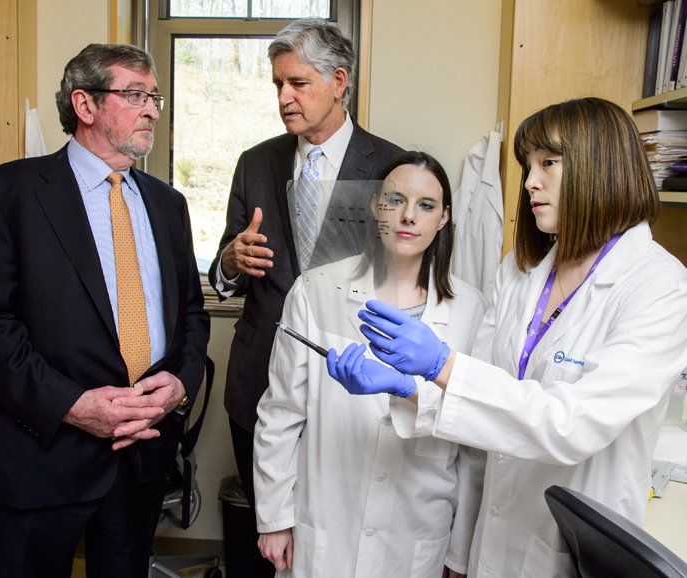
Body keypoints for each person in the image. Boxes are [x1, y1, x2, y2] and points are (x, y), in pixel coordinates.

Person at [328, 97, 687, 577]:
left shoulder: (658, 285)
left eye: (549, 163)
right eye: (529, 164)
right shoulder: (519, 273)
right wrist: (412, 390)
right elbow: (485, 420)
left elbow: (572, 424)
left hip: (572, 548)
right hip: (492, 537)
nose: (531, 181)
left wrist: (444, 367)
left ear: (602, 167)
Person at [0, 44, 210, 578]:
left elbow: (191, 313)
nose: (153, 110)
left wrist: (180, 384)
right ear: (86, 104)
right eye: (135, 95)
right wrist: (74, 405)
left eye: (155, 97)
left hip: (141, 457)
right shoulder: (7, 193)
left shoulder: (168, 205)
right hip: (45, 455)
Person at [207, 16, 403, 561]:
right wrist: (230, 261)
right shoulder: (255, 163)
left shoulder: (391, 166)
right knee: (269, 536)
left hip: (351, 383)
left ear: (339, 82)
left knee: (336, 540)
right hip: (259, 382)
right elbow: (224, 282)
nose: (284, 98)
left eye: (298, 84)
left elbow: (411, 281)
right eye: (277, 85)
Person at [254, 152, 487, 577]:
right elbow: (281, 413)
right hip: (326, 520)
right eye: (394, 200)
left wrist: (460, 551)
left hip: (416, 529)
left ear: (444, 218)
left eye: (426, 205)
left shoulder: (471, 310)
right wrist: (275, 518)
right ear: (374, 207)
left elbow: (474, 448)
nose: (408, 216)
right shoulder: (316, 291)